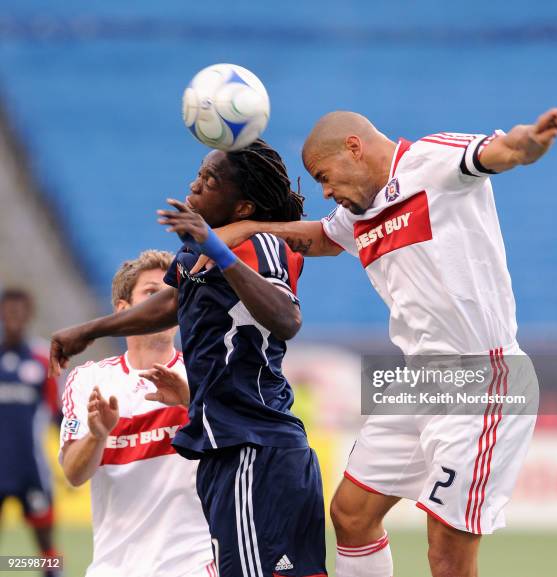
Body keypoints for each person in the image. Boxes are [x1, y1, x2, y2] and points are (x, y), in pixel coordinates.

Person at [207, 105, 557, 577]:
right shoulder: (358, 212)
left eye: (325, 177)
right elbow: (321, 236)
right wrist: (247, 229)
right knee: (351, 514)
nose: (325, 192)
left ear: (354, 148)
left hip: (481, 378)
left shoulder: (431, 161)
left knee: (446, 551)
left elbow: (503, 150)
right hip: (419, 380)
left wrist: (533, 140)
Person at [50, 140, 327, 577]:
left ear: (242, 206)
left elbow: (286, 318)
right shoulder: (199, 255)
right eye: (199, 173)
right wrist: (90, 330)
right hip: (229, 450)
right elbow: (172, 303)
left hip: (251, 447)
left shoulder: (260, 244)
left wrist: (217, 248)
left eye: (210, 180)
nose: (195, 184)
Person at [59, 250, 215, 577]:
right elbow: (73, 474)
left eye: (172, 295)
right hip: (112, 568)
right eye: (151, 293)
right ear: (123, 310)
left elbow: (239, 451)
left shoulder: (204, 374)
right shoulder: (89, 379)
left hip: (192, 566)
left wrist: (190, 403)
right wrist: (98, 435)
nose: (166, 306)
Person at [0, 288, 61, 577]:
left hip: (31, 470)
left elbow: (57, 414)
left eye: (19, 311)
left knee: (47, 554)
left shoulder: (40, 359)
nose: (13, 317)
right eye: (8, 311)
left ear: (28, 315)